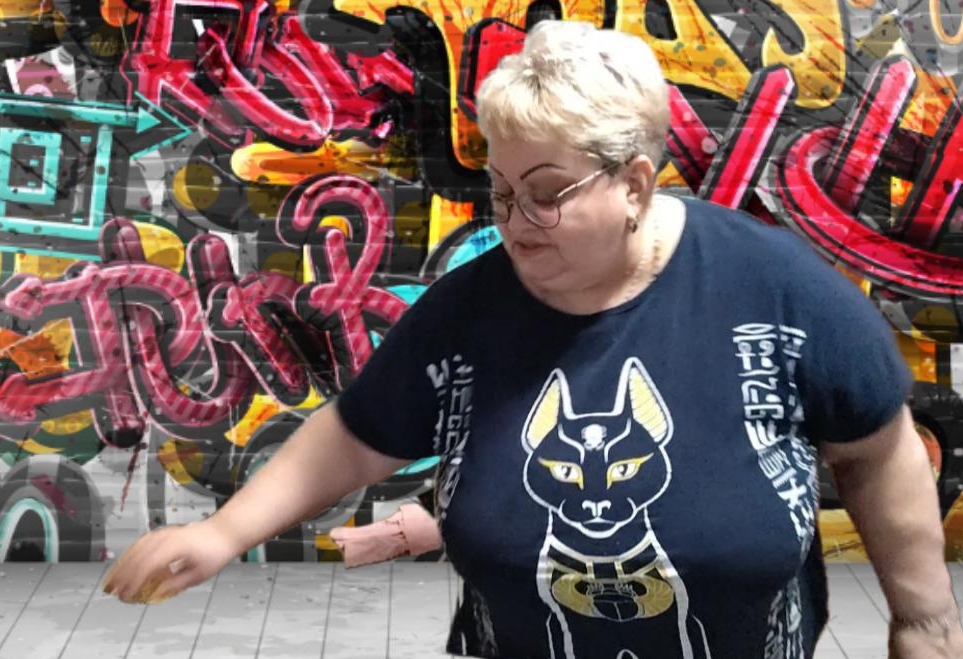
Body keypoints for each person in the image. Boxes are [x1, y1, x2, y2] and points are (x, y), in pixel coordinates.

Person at [101, 19, 963, 659]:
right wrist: (224, 532)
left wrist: (924, 619)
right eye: (502, 189)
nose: (515, 221)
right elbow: (358, 434)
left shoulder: (777, 292)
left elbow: (878, 449)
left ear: (634, 184)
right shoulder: (469, 310)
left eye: (547, 193)